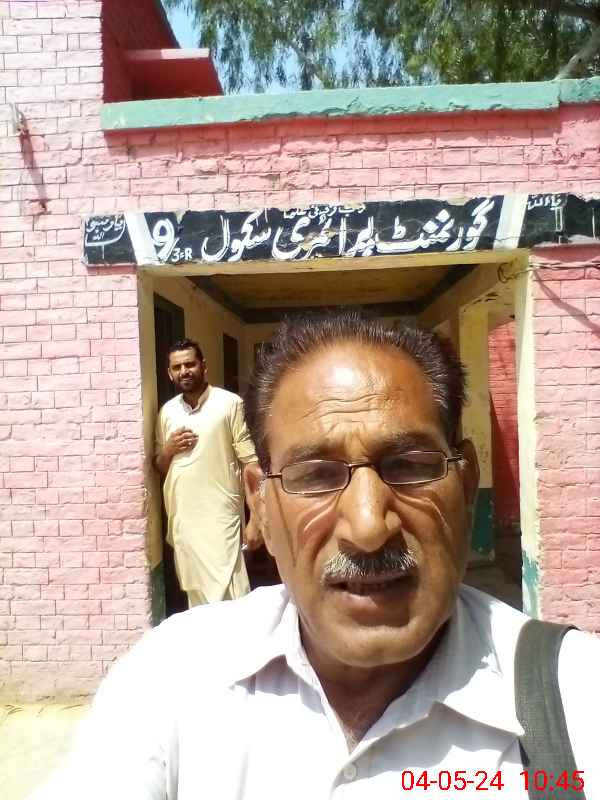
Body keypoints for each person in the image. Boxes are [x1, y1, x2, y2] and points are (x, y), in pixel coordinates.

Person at [34, 313, 599, 799]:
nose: (369, 527)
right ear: (261, 502)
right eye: (316, 476)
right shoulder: (172, 676)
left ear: (467, 481)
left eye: (409, 465)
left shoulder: (572, 698)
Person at [154, 338, 257, 607]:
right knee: (197, 597)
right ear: (169, 373)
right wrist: (169, 449)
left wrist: (257, 516)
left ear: (203, 366)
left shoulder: (229, 404)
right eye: (177, 367)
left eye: (190, 364)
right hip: (184, 520)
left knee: (232, 596)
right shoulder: (167, 412)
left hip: (221, 519)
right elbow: (160, 466)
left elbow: (251, 464)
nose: (184, 371)